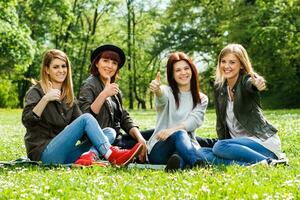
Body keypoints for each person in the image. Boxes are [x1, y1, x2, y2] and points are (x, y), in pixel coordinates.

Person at [22, 49, 142, 166]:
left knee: (109, 132)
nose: (61, 70)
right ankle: (111, 155)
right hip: (44, 154)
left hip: (64, 154)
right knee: (87, 118)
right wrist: (45, 99)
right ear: (47, 70)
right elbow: (27, 121)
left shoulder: (68, 97)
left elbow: (84, 129)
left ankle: (89, 155)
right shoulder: (36, 91)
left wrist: (99, 140)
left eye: (64, 66)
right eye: (56, 67)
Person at [209, 43, 287, 166]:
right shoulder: (220, 89)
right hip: (237, 146)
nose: (226, 66)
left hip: (262, 143)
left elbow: (251, 83)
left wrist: (256, 83)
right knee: (204, 152)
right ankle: (256, 164)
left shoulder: (245, 81)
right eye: (223, 61)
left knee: (219, 147)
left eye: (232, 62)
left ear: (241, 65)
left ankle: (269, 161)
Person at [78, 44, 152, 163]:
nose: (109, 66)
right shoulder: (89, 85)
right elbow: (85, 118)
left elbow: (124, 118)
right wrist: (104, 94)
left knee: (154, 135)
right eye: (105, 61)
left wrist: (140, 138)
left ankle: (176, 156)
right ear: (97, 63)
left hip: (118, 139)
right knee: (150, 147)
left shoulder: (114, 89)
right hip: (100, 142)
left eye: (114, 63)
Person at [147, 52, 209, 171]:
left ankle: (176, 165)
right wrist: (157, 91)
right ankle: (197, 164)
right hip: (160, 148)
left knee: (178, 153)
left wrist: (171, 130)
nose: (183, 73)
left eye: (186, 68)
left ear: (192, 70)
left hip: (186, 147)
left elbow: (193, 122)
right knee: (180, 134)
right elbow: (161, 99)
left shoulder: (201, 98)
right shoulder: (166, 91)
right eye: (178, 70)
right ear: (172, 75)